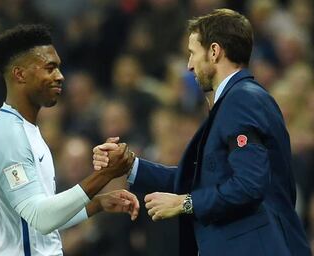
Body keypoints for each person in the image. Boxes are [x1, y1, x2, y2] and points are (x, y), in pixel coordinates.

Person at [93, 9, 311, 256]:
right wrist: (130, 166)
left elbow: (250, 184)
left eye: (192, 53)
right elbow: (202, 180)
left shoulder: (242, 100)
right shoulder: (237, 100)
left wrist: (185, 203)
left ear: (215, 52)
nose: (188, 65)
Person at [0, 24, 139, 256]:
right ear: (20, 74)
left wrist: (97, 204)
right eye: (50, 68)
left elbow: (44, 217)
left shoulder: (27, 130)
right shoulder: (7, 134)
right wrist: (105, 175)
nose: (60, 76)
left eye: (59, 68)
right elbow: (40, 218)